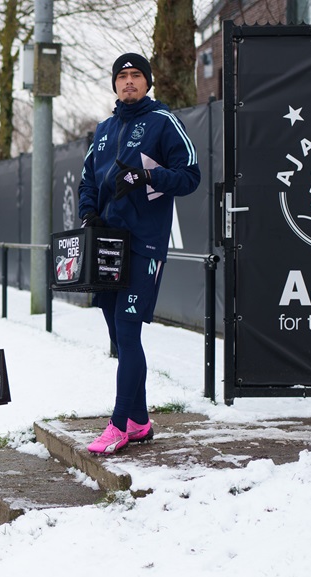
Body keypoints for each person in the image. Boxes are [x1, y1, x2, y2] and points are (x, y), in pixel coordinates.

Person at [78, 53, 201, 455]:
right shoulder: (103, 129)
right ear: (114, 84)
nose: (129, 81)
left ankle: (117, 425)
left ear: (148, 82)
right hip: (106, 248)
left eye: (136, 76)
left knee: (129, 332)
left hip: (144, 244)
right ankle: (141, 421)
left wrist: (148, 176)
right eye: (122, 76)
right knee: (119, 336)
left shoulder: (163, 122)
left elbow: (190, 177)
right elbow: (86, 181)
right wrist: (89, 214)